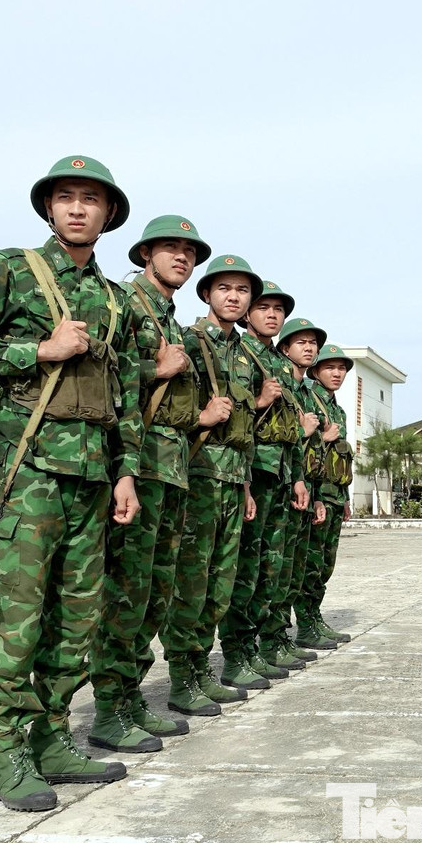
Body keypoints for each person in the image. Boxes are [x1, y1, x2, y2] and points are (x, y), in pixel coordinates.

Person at [0, 155, 142, 811]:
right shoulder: (10, 267)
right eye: (66, 197)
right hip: (29, 475)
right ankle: (12, 749)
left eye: (91, 199)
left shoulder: (114, 299)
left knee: (77, 621)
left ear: (108, 215)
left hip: (91, 480)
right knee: (17, 622)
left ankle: (53, 736)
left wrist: (127, 469)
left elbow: (125, 388)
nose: (78, 208)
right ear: (49, 208)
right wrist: (35, 351)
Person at [89, 216, 209, 749]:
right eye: (170, 249)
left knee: (155, 593)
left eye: (189, 251)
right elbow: (103, 378)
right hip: (141, 462)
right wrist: (155, 374)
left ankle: (132, 697)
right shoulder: (126, 305)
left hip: (174, 467)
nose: (181, 258)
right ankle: (109, 710)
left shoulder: (171, 320)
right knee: (127, 592)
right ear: (144, 255)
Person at [162, 254, 263, 702]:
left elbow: (247, 431)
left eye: (242, 291)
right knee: (191, 580)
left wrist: (245, 487)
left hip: (232, 479)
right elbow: (161, 408)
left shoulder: (244, 355)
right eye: (224, 288)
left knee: (221, 582)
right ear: (206, 294)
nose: (234, 297)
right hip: (198, 476)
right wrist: (199, 419)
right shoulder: (187, 341)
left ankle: (202, 668)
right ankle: (182, 676)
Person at [218, 281, 311, 680]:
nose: (272, 315)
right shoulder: (237, 353)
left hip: (278, 474)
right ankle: (237, 652)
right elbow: (232, 421)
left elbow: (287, 431)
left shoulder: (275, 363)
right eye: (264, 308)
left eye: (279, 310)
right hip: (249, 473)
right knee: (243, 569)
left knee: (268, 569)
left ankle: (261, 643)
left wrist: (298, 478)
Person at [276, 318, 336, 653]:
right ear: (285, 349)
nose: (309, 347)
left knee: (300, 568)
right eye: (301, 342)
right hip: (278, 486)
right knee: (275, 569)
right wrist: (310, 433)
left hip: (308, 489)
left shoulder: (307, 396)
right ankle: (272, 640)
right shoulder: (287, 389)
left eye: (312, 342)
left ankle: (297, 629)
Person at [297, 343, 357, 645]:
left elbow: (339, 459)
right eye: (330, 367)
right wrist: (322, 436)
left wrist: (345, 497)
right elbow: (304, 449)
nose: (337, 373)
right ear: (316, 370)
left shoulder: (338, 410)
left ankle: (314, 617)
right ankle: (306, 625)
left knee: (325, 564)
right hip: (316, 494)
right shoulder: (308, 401)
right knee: (310, 563)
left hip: (335, 495)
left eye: (342, 368)